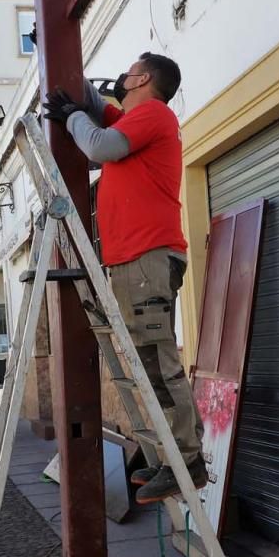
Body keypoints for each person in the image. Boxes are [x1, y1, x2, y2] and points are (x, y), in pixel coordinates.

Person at [43, 52, 206, 504]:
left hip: (145, 257)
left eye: (131, 70)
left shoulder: (153, 113)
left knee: (154, 361)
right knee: (146, 363)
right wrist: (59, 64)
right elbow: (103, 113)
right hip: (136, 260)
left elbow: (98, 145)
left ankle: (185, 460)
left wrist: (73, 116)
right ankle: (172, 455)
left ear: (145, 78)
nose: (123, 76)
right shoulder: (138, 119)